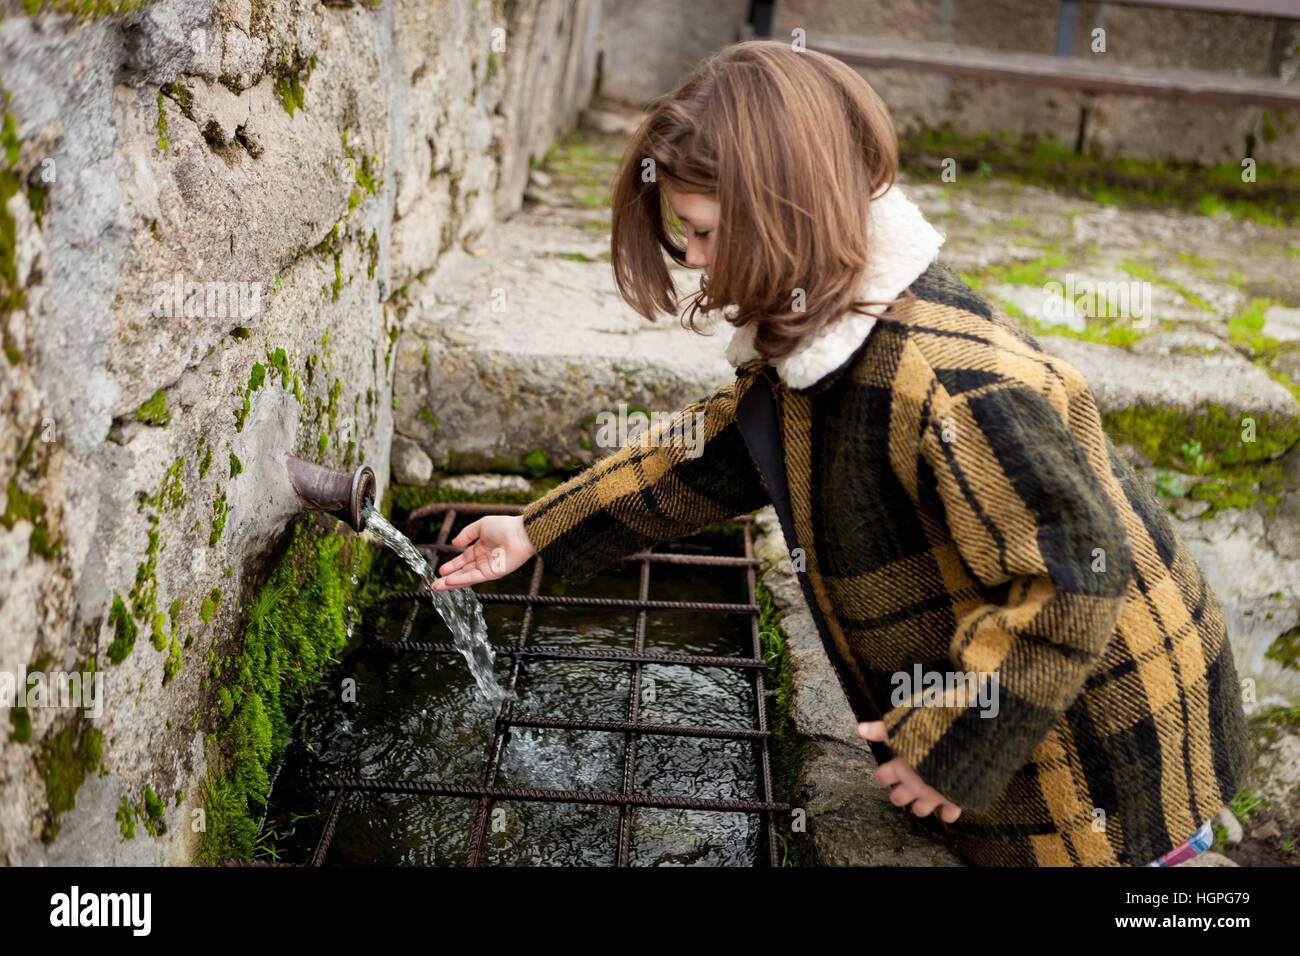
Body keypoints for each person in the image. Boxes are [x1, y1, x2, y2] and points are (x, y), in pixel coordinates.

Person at [432, 40, 1250, 867]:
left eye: (706, 231)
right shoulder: (820, 331)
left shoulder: (949, 383)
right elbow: (715, 452)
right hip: (1034, 700)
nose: (691, 257)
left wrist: (956, 751)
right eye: (683, 230)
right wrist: (537, 530)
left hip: (1110, 733)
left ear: (787, 215)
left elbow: (1078, 573)